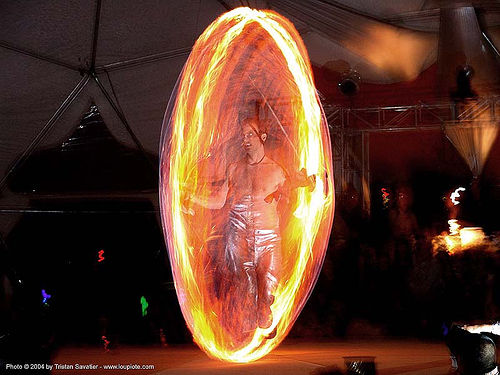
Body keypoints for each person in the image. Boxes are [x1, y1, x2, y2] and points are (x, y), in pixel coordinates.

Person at [186, 117, 287, 330]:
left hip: (267, 236)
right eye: (243, 135)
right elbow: (219, 201)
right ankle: (248, 316)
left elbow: (296, 199)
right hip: (239, 235)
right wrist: (191, 197)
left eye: (250, 134)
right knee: (247, 284)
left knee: (266, 287)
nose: (245, 139)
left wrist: (312, 187)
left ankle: (264, 306)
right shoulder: (234, 169)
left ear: (263, 137)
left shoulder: (277, 171)